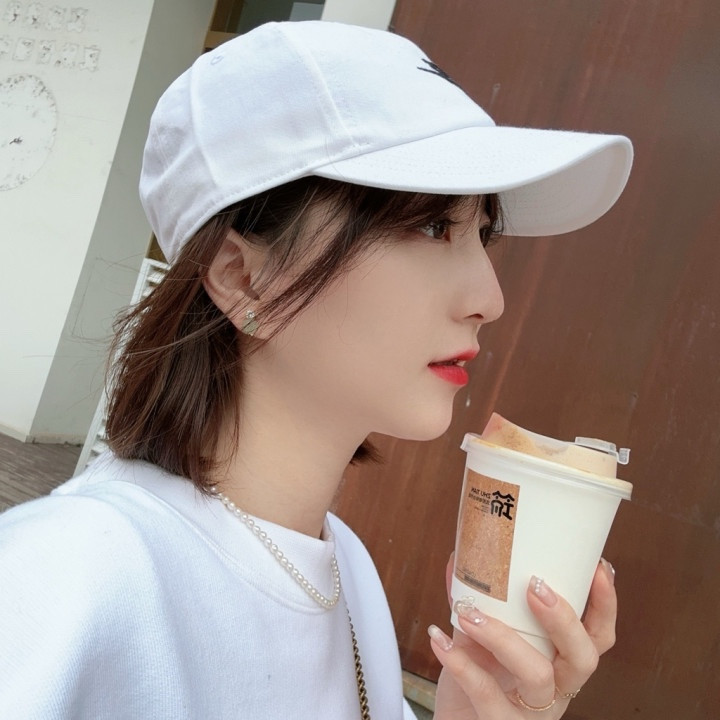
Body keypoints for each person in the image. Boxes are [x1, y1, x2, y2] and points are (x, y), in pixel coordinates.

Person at [0, 20, 632, 720]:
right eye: (431, 225)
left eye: (482, 233)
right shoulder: (62, 579)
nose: (491, 299)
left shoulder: (345, 569)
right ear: (241, 276)